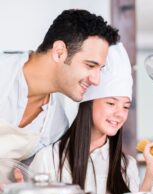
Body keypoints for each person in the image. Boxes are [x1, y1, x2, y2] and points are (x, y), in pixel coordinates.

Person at [30, 43, 138, 194]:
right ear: (87, 103)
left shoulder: (126, 166)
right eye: (111, 103)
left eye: (125, 106)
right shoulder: (49, 158)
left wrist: (152, 174)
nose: (120, 114)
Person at [0, 9, 119, 163]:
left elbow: (30, 170)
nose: (96, 80)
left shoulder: (57, 123)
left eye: (100, 69)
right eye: (90, 66)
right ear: (59, 52)